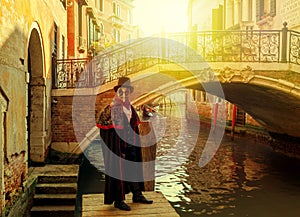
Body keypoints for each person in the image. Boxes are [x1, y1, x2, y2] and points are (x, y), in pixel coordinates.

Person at [96, 76, 153, 211]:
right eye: (122, 90)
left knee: (134, 169)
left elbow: (133, 126)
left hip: (131, 144)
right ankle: (119, 200)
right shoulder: (112, 108)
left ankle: (137, 194)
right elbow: (106, 128)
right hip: (119, 146)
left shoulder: (130, 107)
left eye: (127, 90)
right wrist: (115, 146)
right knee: (119, 172)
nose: (124, 93)